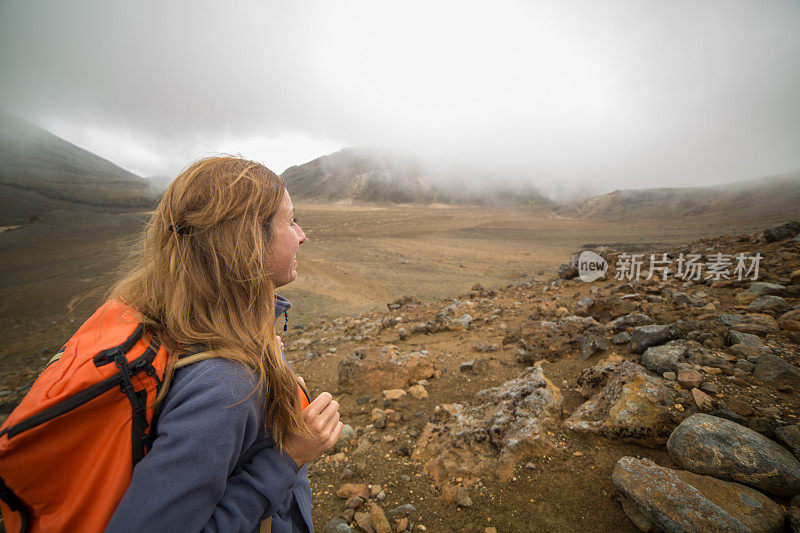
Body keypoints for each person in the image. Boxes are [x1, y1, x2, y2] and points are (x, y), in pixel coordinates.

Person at [104, 156, 341, 532]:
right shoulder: (227, 386)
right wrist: (289, 457)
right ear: (246, 241)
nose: (302, 235)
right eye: (290, 220)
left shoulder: (195, 328)